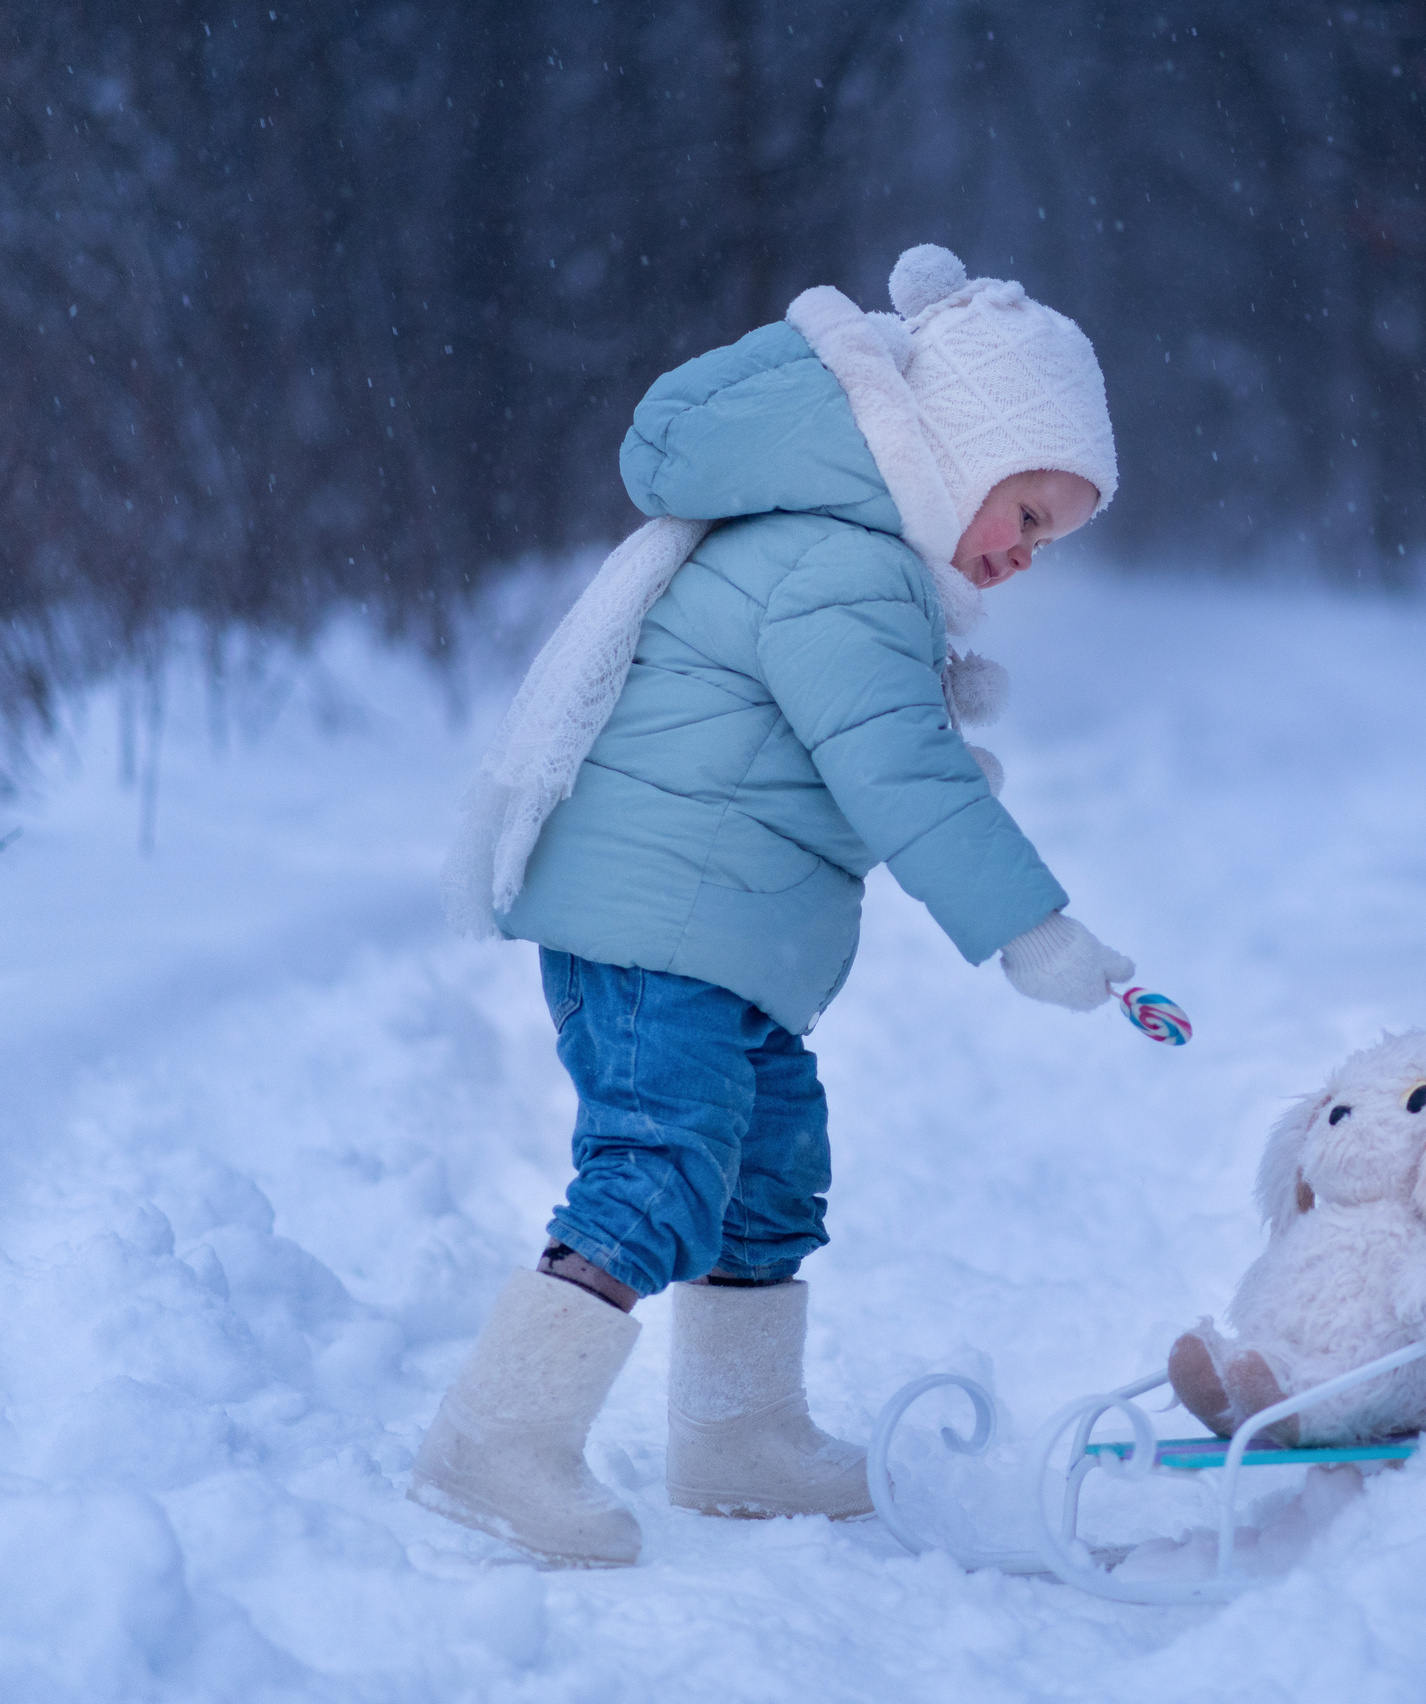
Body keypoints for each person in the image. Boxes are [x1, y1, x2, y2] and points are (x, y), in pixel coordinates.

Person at [410, 245, 1134, 1567]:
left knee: (768, 1171)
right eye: (1028, 515)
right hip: (657, 929)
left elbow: (836, 753)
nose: (1028, 557)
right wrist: (1034, 928)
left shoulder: (851, 561)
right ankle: (492, 1441)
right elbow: (897, 773)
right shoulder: (838, 563)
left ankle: (739, 1437)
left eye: (1050, 539)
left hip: (716, 938)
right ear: (965, 447)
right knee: (663, 1164)